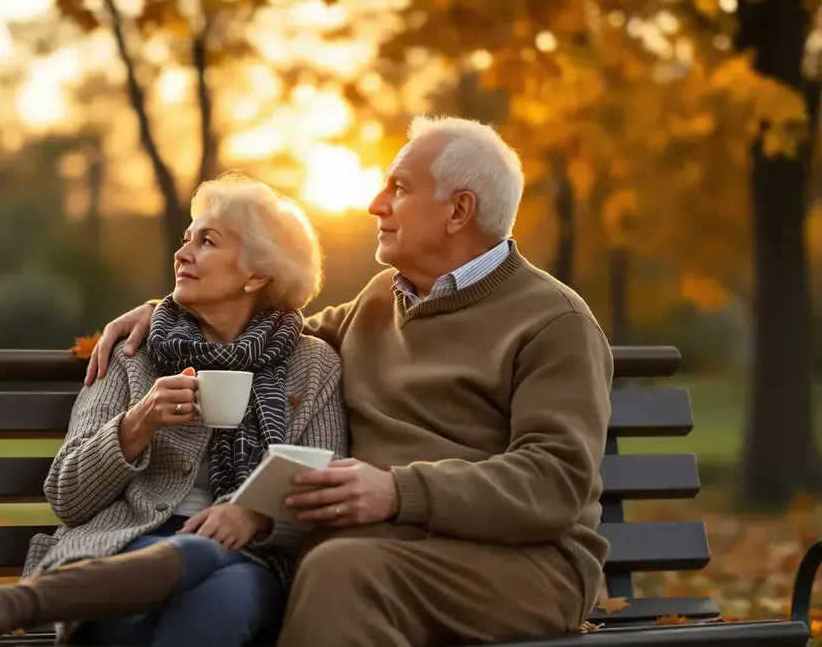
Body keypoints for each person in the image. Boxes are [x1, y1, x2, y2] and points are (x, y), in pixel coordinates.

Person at [86, 115, 614, 647]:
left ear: (459, 211)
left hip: (521, 565)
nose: (375, 204)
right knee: (327, 565)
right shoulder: (381, 299)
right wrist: (166, 313)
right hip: (383, 549)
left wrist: (397, 491)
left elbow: (555, 481)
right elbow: (262, 336)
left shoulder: (553, 322)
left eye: (400, 188)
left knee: (339, 570)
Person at [0, 173, 348, 647]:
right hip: (119, 547)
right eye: (186, 239)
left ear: (258, 273)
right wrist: (138, 423)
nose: (182, 254)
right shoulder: (134, 352)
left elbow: (321, 489)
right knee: (208, 583)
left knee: (227, 593)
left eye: (207, 242)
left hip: (255, 560)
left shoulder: (312, 364)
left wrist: (253, 516)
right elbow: (67, 495)